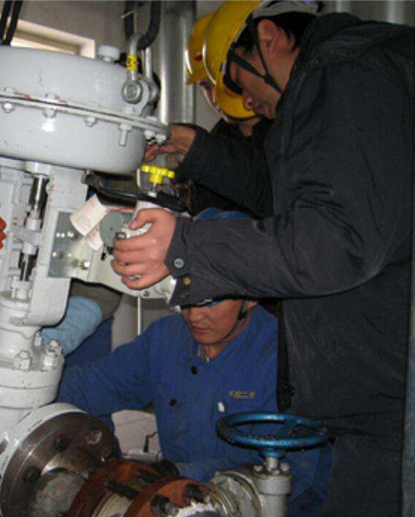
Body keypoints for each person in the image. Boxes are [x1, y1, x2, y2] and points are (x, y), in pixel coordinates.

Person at [114, 2, 414, 515]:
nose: (242, 99)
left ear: (270, 37)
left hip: (394, 401)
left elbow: (337, 240)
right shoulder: (359, 75)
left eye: (237, 78)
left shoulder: (344, 75)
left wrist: (185, 247)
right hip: (386, 385)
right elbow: (286, 204)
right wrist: (198, 149)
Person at [58, 208, 330, 516]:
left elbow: (290, 472)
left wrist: (176, 475)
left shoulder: (290, 359)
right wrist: (32, 386)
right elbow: (95, 385)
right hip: (177, 498)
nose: (194, 315)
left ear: (252, 296)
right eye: (185, 296)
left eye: (210, 300)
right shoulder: (166, 339)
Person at [0, 159, 121, 366]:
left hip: (82, 328)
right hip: (6, 308)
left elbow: (108, 279)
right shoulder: (29, 142)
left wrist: (45, 343)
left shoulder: (124, 168)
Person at [178, 10, 272, 217]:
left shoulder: (287, 135)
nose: (215, 97)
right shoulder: (217, 138)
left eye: (222, 82)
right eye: (206, 86)